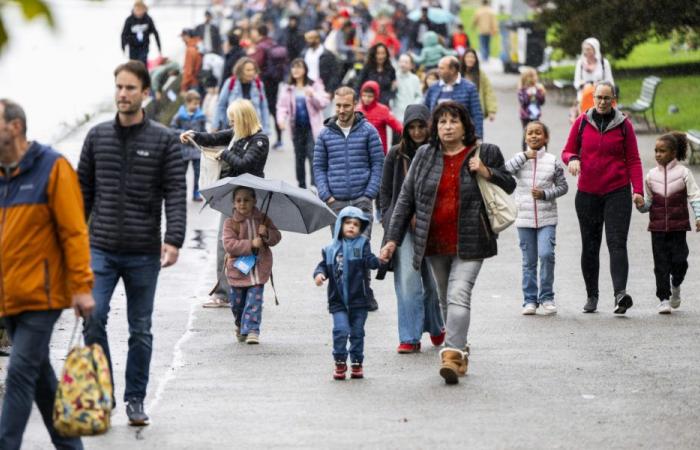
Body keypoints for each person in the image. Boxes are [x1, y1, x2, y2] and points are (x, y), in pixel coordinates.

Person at [78, 61, 186, 426]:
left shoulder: (163, 139)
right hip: (101, 248)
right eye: (118, 88)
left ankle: (135, 399)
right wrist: (73, 241)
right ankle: (103, 391)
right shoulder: (96, 137)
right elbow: (82, 194)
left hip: (143, 251)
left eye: (129, 88)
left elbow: (175, 190)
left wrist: (173, 239)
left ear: (145, 93)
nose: (122, 94)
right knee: (93, 318)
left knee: (140, 328)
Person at [380, 101, 515, 384]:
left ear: (465, 125)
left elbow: (509, 183)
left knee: (458, 295)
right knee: (444, 298)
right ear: (436, 128)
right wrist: (392, 239)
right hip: (434, 242)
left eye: (453, 121)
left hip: (471, 240)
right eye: (442, 122)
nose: (448, 127)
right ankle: (460, 345)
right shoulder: (425, 156)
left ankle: (451, 354)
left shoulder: (484, 152)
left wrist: (485, 171)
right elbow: (405, 199)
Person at [0, 99, 95, 450]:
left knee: (20, 375)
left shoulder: (52, 168)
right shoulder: (2, 176)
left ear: (15, 127)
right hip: (9, 297)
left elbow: (74, 232)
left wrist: (82, 287)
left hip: (43, 296)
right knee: (42, 382)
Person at [561, 81, 644, 315]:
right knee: (590, 246)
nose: (602, 102)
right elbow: (566, 151)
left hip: (617, 192)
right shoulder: (581, 122)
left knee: (617, 243)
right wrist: (573, 159)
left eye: (607, 98)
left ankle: (620, 294)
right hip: (587, 193)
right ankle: (592, 295)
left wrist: (638, 190)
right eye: (599, 97)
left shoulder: (624, 126)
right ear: (593, 98)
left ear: (613, 100)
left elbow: (634, 160)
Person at [180, 99, 270, 309]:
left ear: (243, 119)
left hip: (248, 200)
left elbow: (245, 164)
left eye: (233, 121)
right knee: (225, 243)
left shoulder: (259, 140)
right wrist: (193, 134)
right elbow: (213, 137)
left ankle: (241, 288)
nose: (231, 125)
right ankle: (224, 292)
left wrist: (225, 154)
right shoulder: (236, 134)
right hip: (233, 197)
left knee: (246, 245)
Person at [380, 104, 445, 353]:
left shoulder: (439, 154)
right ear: (405, 129)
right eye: (412, 127)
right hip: (402, 227)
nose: (417, 132)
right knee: (408, 280)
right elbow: (385, 193)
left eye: (421, 126)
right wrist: (389, 219)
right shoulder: (396, 155)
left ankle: (437, 327)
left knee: (432, 283)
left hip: (434, 225)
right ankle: (409, 336)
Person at [313, 87, 384, 311]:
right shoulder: (325, 134)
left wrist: (369, 193)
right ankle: (343, 293)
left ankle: (364, 292)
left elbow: (378, 164)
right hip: (337, 202)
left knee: (360, 248)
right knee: (341, 250)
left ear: (355, 105)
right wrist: (327, 195)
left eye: (346, 105)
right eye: (338, 106)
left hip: (362, 200)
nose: (342, 110)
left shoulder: (368, 131)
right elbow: (318, 166)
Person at [505, 121, 568, 315]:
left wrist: (545, 194)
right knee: (529, 260)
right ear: (525, 138)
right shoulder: (519, 159)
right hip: (524, 218)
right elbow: (505, 171)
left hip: (547, 217)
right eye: (530, 133)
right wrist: (524, 155)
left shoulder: (552, 161)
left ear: (545, 138)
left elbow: (563, 186)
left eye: (538, 133)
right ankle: (529, 300)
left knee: (546, 254)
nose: (534, 136)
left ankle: (547, 296)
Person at [637, 132, 700, 314]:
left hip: (678, 227)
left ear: (673, 153)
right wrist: (641, 205)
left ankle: (676, 284)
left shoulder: (684, 174)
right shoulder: (650, 176)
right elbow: (649, 203)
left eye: (662, 151)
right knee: (661, 264)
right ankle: (663, 299)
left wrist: (698, 216)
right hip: (657, 229)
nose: (657, 154)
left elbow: (695, 197)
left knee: (680, 261)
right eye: (656, 151)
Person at [314, 206, 380, 380]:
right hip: (338, 300)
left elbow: (370, 261)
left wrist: (381, 260)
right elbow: (323, 266)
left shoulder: (363, 245)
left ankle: (357, 362)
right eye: (348, 223)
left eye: (356, 224)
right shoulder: (330, 249)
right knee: (341, 330)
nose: (351, 226)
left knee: (357, 332)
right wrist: (319, 275)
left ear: (361, 228)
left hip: (359, 299)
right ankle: (340, 361)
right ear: (340, 225)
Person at [223, 187, 282, 344]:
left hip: (258, 270)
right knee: (237, 304)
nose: (242, 203)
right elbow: (229, 245)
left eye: (247, 200)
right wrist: (250, 244)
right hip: (238, 271)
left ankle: (252, 330)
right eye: (239, 200)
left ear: (255, 201)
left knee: (254, 301)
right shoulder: (230, 223)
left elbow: (277, 237)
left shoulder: (263, 219)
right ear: (234, 203)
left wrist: (267, 233)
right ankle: (240, 324)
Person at [276, 58, 330, 188]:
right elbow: (282, 107)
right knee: (299, 157)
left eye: (299, 67)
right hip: (297, 128)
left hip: (312, 128)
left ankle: (314, 186)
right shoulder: (288, 88)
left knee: (313, 156)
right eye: (293, 67)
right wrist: (281, 120)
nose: (296, 70)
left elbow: (323, 103)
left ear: (305, 70)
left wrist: (313, 95)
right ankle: (301, 185)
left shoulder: (314, 85)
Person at [424, 56, 484, 138]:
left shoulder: (469, 87)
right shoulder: (433, 88)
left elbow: (477, 114)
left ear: (452, 70)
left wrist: (478, 137)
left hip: (463, 138)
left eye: (441, 68)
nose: (438, 71)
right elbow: (426, 111)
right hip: (438, 138)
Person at [249, 25, 287, 149]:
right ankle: (280, 139)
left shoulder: (260, 46)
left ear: (258, 33)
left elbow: (255, 64)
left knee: (260, 109)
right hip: (274, 81)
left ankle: (259, 140)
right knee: (274, 108)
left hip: (264, 82)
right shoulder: (273, 43)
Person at [215, 57, 269, 133]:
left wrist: (266, 128)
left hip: (253, 128)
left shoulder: (258, 84)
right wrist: (216, 125)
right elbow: (221, 105)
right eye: (248, 70)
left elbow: (264, 107)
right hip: (233, 127)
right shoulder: (230, 82)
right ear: (240, 71)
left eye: (253, 70)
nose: (251, 73)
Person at [170, 90, 206, 202]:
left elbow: (204, 131)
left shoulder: (201, 116)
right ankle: (180, 193)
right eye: (194, 103)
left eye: (198, 104)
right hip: (183, 149)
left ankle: (196, 192)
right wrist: (183, 133)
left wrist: (205, 141)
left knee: (197, 173)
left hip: (196, 149)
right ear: (188, 103)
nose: (196, 106)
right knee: (181, 173)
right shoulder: (179, 116)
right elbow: (172, 129)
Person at [357, 81, 403, 155]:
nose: (366, 99)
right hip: (361, 151)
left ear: (376, 96)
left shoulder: (383, 110)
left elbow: (396, 125)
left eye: (370, 96)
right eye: (364, 96)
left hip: (378, 151)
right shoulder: (357, 110)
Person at [460, 48, 497, 122]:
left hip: (476, 110)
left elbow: (488, 91)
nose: (470, 59)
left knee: (476, 133)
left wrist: (491, 110)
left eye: (472, 57)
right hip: (460, 110)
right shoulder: (458, 73)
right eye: (468, 57)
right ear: (463, 58)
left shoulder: (480, 74)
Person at [573, 37, 614, 103]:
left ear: (595, 49)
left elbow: (610, 81)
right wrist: (584, 85)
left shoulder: (603, 63)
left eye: (588, 49)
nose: (586, 52)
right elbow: (576, 82)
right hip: (584, 97)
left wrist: (600, 84)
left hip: (601, 98)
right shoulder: (580, 63)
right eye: (584, 49)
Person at [120, 1, 161, 65]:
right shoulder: (129, 20)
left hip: (144, 46)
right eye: (137, 10)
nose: (139, 12)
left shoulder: (148, 19)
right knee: (133, 64)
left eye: (141, 10)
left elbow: (155, 33)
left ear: (144, 10)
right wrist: (123, 47)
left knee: (142, 62)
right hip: (133, 46)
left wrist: (159, 48)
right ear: (134, 9)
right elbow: (124, 34)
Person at [303, 30, 341, 95]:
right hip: (307, 86)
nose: (307, 41)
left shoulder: (327, 54)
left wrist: (330, 90)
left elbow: (334, 74)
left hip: (322, 87)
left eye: (310, 38)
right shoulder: (304, 53)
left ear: (317, 39)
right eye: (306, 39)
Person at [392, 54, 423, 123]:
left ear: (411, 65)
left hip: (410, 115)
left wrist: (413, 106)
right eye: (401, 62)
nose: (403, 64)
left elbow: (419, 96)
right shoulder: (393, 77)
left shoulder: (415, 78)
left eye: (406, 62)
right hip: (396, 114)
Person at [180, 29, 203, 95]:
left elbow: (188, 71)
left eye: (183, 37)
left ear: (187, 36)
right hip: (199, 81)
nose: (182, 40)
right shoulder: (197, 46)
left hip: (193, 83)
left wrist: (183, 87)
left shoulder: (190, 50)